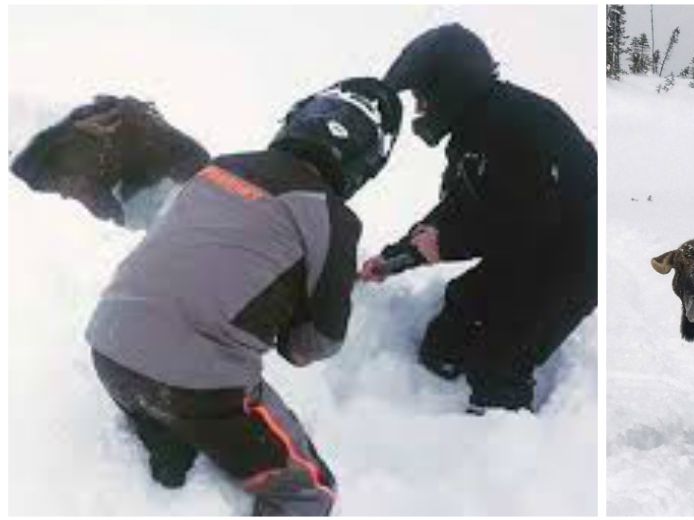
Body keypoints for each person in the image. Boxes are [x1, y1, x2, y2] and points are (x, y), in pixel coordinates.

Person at [85, 77, 402, 515]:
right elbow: (319, 341)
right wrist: (290, 326)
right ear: (362, 164)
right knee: (311, 492)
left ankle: (170, 454)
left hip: (108, 348)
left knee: (171, 421)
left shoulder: (218, 168)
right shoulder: (333, 217)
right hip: (197, 388)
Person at [360, 24, 597, 413]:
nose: (420, 109)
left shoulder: (520, 122)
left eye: (423, 97)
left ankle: (498, 450)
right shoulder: (473, 135)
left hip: (573, 263)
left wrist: (448, 245)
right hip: (530, 252)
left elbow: (536, 217)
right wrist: (394, 258)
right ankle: (427, 412)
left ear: (448, 88)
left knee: (499, 363)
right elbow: (456, 210)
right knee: (452, 323)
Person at [11, 95, 211, 228]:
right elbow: (20, 167)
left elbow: (201, 161)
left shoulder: (149, 138)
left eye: (69, 186)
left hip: (152, 168)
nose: (66, 192)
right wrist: (72, 127)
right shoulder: (68, 145)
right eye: (67, 186)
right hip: (134, 184)